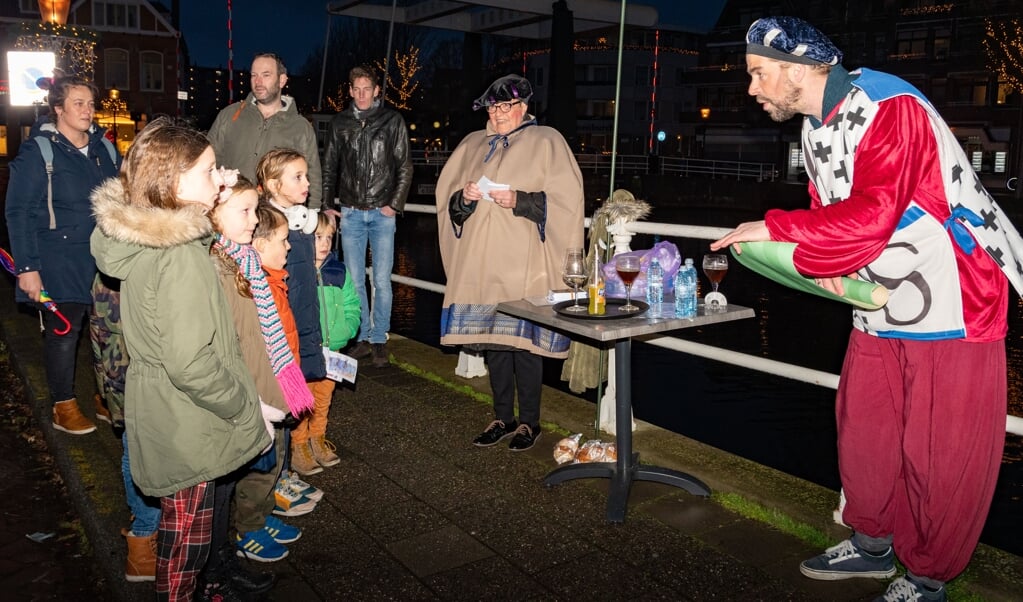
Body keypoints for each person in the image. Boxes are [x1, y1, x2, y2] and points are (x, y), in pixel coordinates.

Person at [710, 17, 1023, 602]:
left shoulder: (889, 106)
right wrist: (829, 264)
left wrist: (779, 229)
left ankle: (929, 576)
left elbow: (875, 213)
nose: (751, 89)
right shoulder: (812, 127)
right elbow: (829, 205)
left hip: (951, 293)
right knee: (867, 428)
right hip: (877, 294)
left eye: (758, 73)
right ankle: (874, 543)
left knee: (940, 446)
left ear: (799, 67)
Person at [90, 118, 270, 601]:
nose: (222, 177)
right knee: (185, 546)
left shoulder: (147, 238)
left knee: (183, 532)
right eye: (211, 171)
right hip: (189, 418)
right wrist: (240, 402)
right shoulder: (181, 256)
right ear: (175, 182)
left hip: (163, 408)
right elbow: (190, 362)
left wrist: (211, 187)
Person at [435, 74, 585, 452]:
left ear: (523, 108)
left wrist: (519, 199)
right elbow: (447, 202)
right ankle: (502, 416)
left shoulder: (548, 141)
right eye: (493, 107)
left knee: (525, 347)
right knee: (496, 344)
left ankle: (529, 423)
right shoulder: (473, 144)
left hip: (524, 264)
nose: (498, 114)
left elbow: (566, 201)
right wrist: (465, 199)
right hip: (482, 264)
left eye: (505, 107)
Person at [5, 74, 120, 435]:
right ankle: (63, 404)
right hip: (58, 256)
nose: (88, 111)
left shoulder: (105, 148)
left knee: (105, 332)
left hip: (103, 256)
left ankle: (105, 398)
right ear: (58, 109)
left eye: (90, 103)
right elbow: (18, 210)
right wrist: (27, 268)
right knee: (65, 330)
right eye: (78, 104)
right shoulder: (40, 150)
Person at [203, 173, 300, 596]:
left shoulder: (242, 265)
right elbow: (231, 342)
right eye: (243, 211)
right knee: (225, 486)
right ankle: (222, 558)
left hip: (253, 387)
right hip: (238, 395)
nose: (251, 220)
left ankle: (222, 554)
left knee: (236, 481)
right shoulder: (221, 268)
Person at [321, 65, 413, 367]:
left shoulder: (392, 121)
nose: (361, 94)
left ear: (376, 91)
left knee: (383, 281)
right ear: (350, 91)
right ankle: (360, 337)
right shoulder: (340, 123)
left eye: (366, 88)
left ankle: (379, 338)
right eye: (355, 88)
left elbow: (405, 167)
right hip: (350, 212)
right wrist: (327, 203)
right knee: (356, 280)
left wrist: (394, 204)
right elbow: (330, 166)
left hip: (383, 213)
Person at [249, 195, 324, 507]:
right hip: (271, 382)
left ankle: (282, 476)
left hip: (283, 372)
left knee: (279, 440)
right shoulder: (262, 286)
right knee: (270, 443)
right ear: (261, 245)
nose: (290, 247)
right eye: (283, 241)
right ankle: (262, 507)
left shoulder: (276, 281)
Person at [207, 52, 322, 209]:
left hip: (278, 218)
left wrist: (313, 214)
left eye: (266, 75)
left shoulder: (301, 127)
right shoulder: (230, 115)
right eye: (254, 75)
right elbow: (208, 160)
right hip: (232, 213)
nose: (258, 81)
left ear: (282, 80)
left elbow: (313, 175)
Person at [292, 211, 361, 472]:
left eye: (329, 238)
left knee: (323, 397)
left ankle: (317, 438)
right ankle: (298, 444)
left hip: (332, 349)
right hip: (305, 349)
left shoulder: (338, 270)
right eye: (318, 237)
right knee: (302, 399)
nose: (324, 244)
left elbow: (352, 304)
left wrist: (347, 327)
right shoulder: (297, 270)